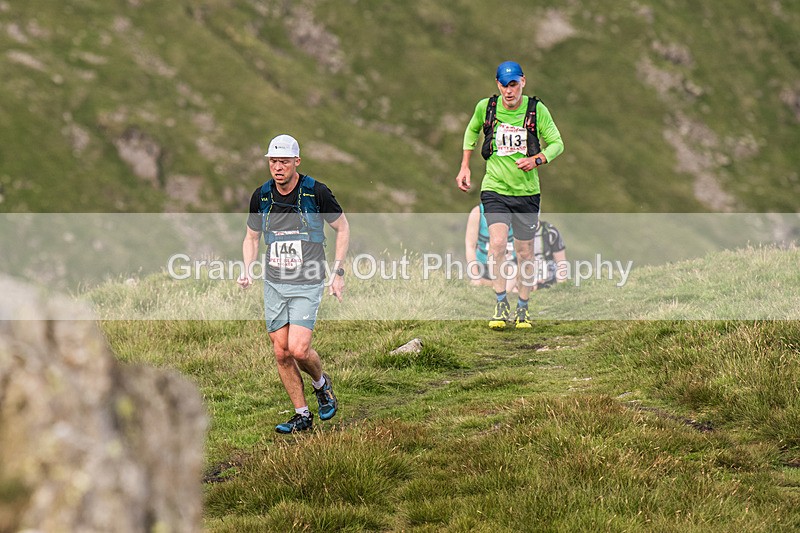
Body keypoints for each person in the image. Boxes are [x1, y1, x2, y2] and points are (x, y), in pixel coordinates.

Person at [238, 134, 350, 434]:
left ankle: (321, 385)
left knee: (299, 350)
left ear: (296, 162)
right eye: (273, 161)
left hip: (308, 281)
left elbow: (342, 227)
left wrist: (337, 273)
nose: (278, 167)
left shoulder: (316, 192)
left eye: (284, 161)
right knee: (281, 352)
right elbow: (251, 237)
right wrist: (247, 269)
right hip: (274, 283)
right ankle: (302, 415)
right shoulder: (261, 196)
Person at [455, 60, 564, 329]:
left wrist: (537, 160)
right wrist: (465, 165)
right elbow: (471, 131)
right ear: (498, 85)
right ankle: (501, 302)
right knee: (498, 244)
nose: (509, 90)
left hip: (527, 193)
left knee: (526, 253)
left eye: (513, 84)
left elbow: (557, 143)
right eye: (504, 85)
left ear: (523, 82)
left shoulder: (536, 110)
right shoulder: (487, 107)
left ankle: (523, 307)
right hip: (495, 190)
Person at [464, 204, 518, 293]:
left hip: (510, 265)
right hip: (483, 266)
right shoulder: (478, 212)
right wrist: (475, 277)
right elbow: (470, 245)